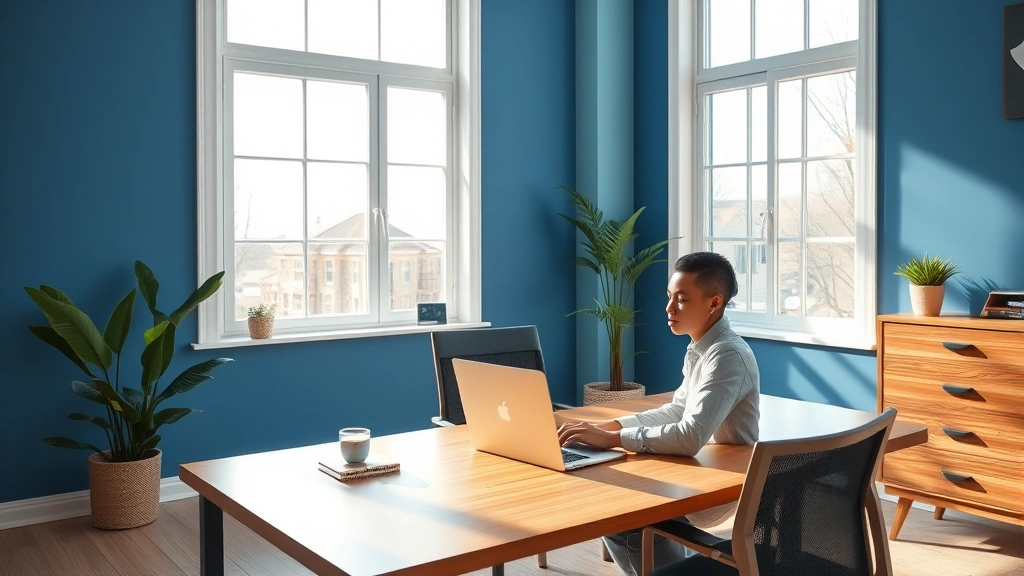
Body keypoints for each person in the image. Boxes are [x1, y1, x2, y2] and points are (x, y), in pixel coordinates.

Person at [556, 252, 760, 576]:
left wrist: (613, 438)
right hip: (700, 467)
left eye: (681, 299)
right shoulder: (701, 347)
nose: (669, 309)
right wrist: (609, 426)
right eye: (669, 298)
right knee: (616, 502)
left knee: (621, 517)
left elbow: (691, 435)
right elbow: (678, 409)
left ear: (714, 303)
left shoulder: (727, 355)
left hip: (719, 483)